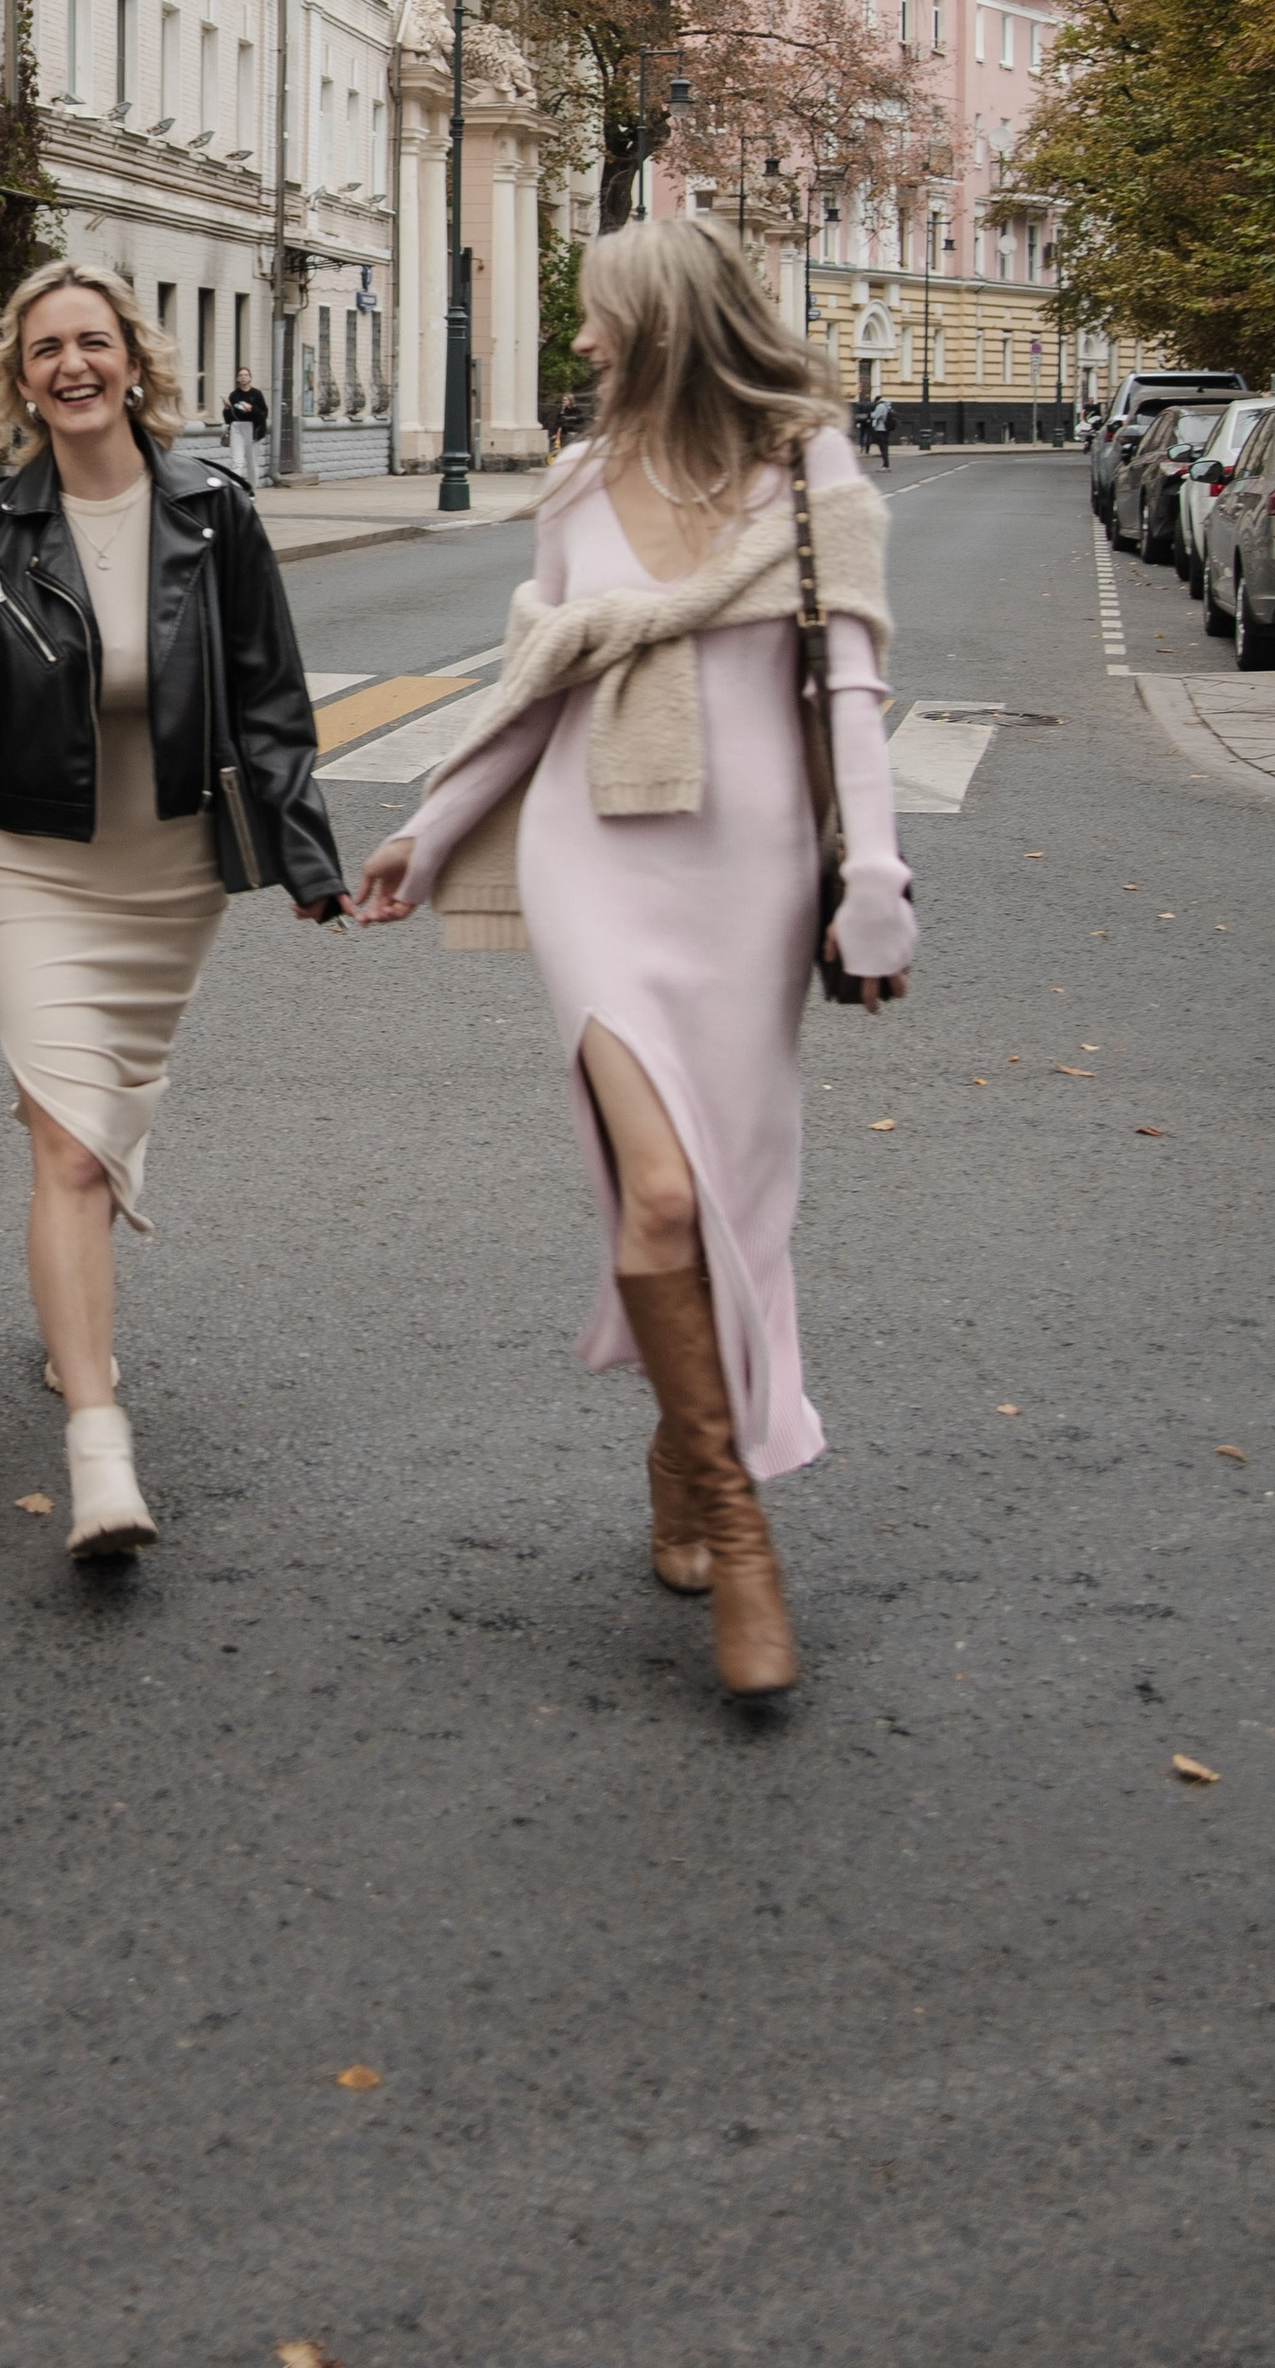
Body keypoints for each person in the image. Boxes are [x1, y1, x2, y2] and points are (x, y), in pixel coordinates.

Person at [353, 217, 915, 1706]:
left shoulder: (810, 469)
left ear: (665, 324)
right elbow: (535, 686)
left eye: (600, 321)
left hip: (754, 874)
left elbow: (850, 685)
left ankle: (683, 1443)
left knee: (738, 1194)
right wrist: (434, 823)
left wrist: (873, 874)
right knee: (656, 1192)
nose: (582, 345)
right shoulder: (579, 482)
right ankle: (741, 1532)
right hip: (594, 855)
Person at [0, 262, 346, 1558]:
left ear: (134, 363)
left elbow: (269, 691)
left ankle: (77, 1271)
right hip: (33, 865)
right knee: (72, 1153)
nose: (71, 366)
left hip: (167, 878)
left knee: (97, 1130)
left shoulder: (212, 509)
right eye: (45, 348)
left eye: (92, 342)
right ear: (22, 376)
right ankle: (100, 1449)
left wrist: (309, 857)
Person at [219, 363, 270, 485]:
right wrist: (226, 408)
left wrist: (251, 408)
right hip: (237, 428)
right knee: (237, 461)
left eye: (246, 375)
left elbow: (264, 414)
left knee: (252, 462)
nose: (243, 377)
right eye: (241, 375)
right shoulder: (234, 395)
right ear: (237, 379)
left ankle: (252, 488)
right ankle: (236, 488)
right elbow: (229, 418)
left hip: (253, 429)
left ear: (250, 378)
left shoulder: (256, 394)